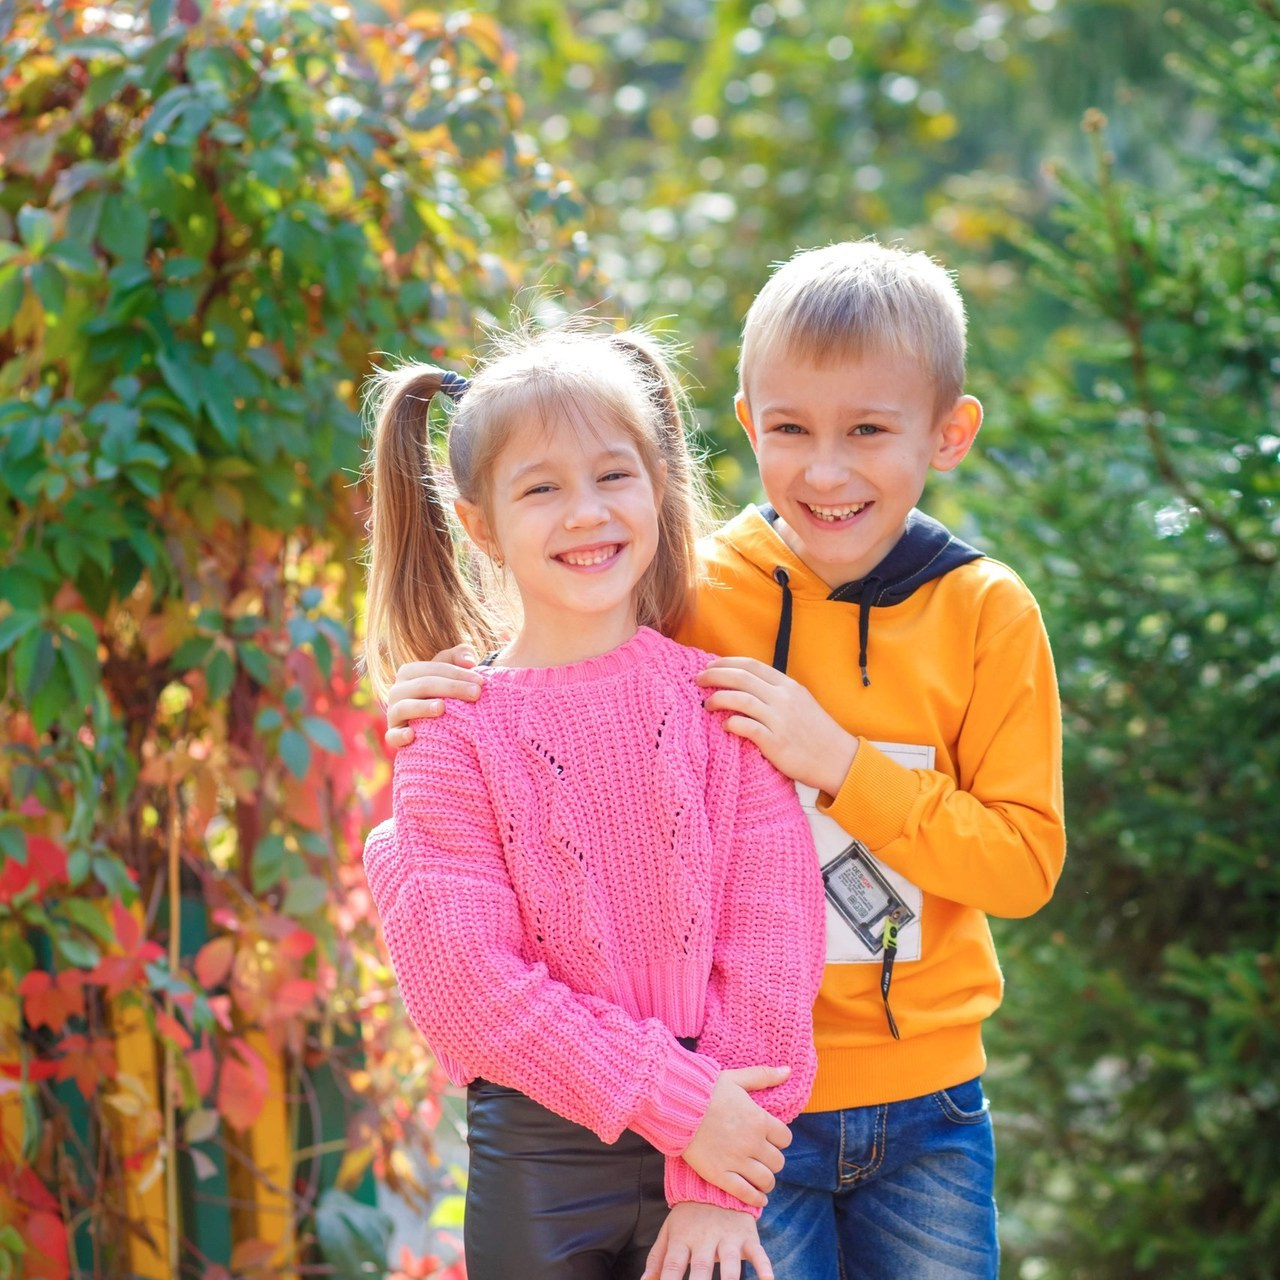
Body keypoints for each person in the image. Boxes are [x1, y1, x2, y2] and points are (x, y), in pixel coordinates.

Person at [382, 241, 1068, 1280]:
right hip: (734, 1103)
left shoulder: (986, 613)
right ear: (747, 426)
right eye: (790, 429)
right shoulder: (697, 589)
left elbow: (1019, 863)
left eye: (867, 431)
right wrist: (420, 719)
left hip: (921, 1101)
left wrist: (835, 759)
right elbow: (560, 674)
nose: (825, 471)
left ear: (947, 431)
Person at [360, 321, 826, 1280]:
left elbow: (775, 954)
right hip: (543, 1154)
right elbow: (469, 994)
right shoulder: (452, 735)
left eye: (614, 476)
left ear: (658, 484)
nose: (586, 514)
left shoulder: (717, 708)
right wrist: (676, 1104)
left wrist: (713, 1185)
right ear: (480, 521)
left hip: (724, 1145)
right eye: (541, 488)